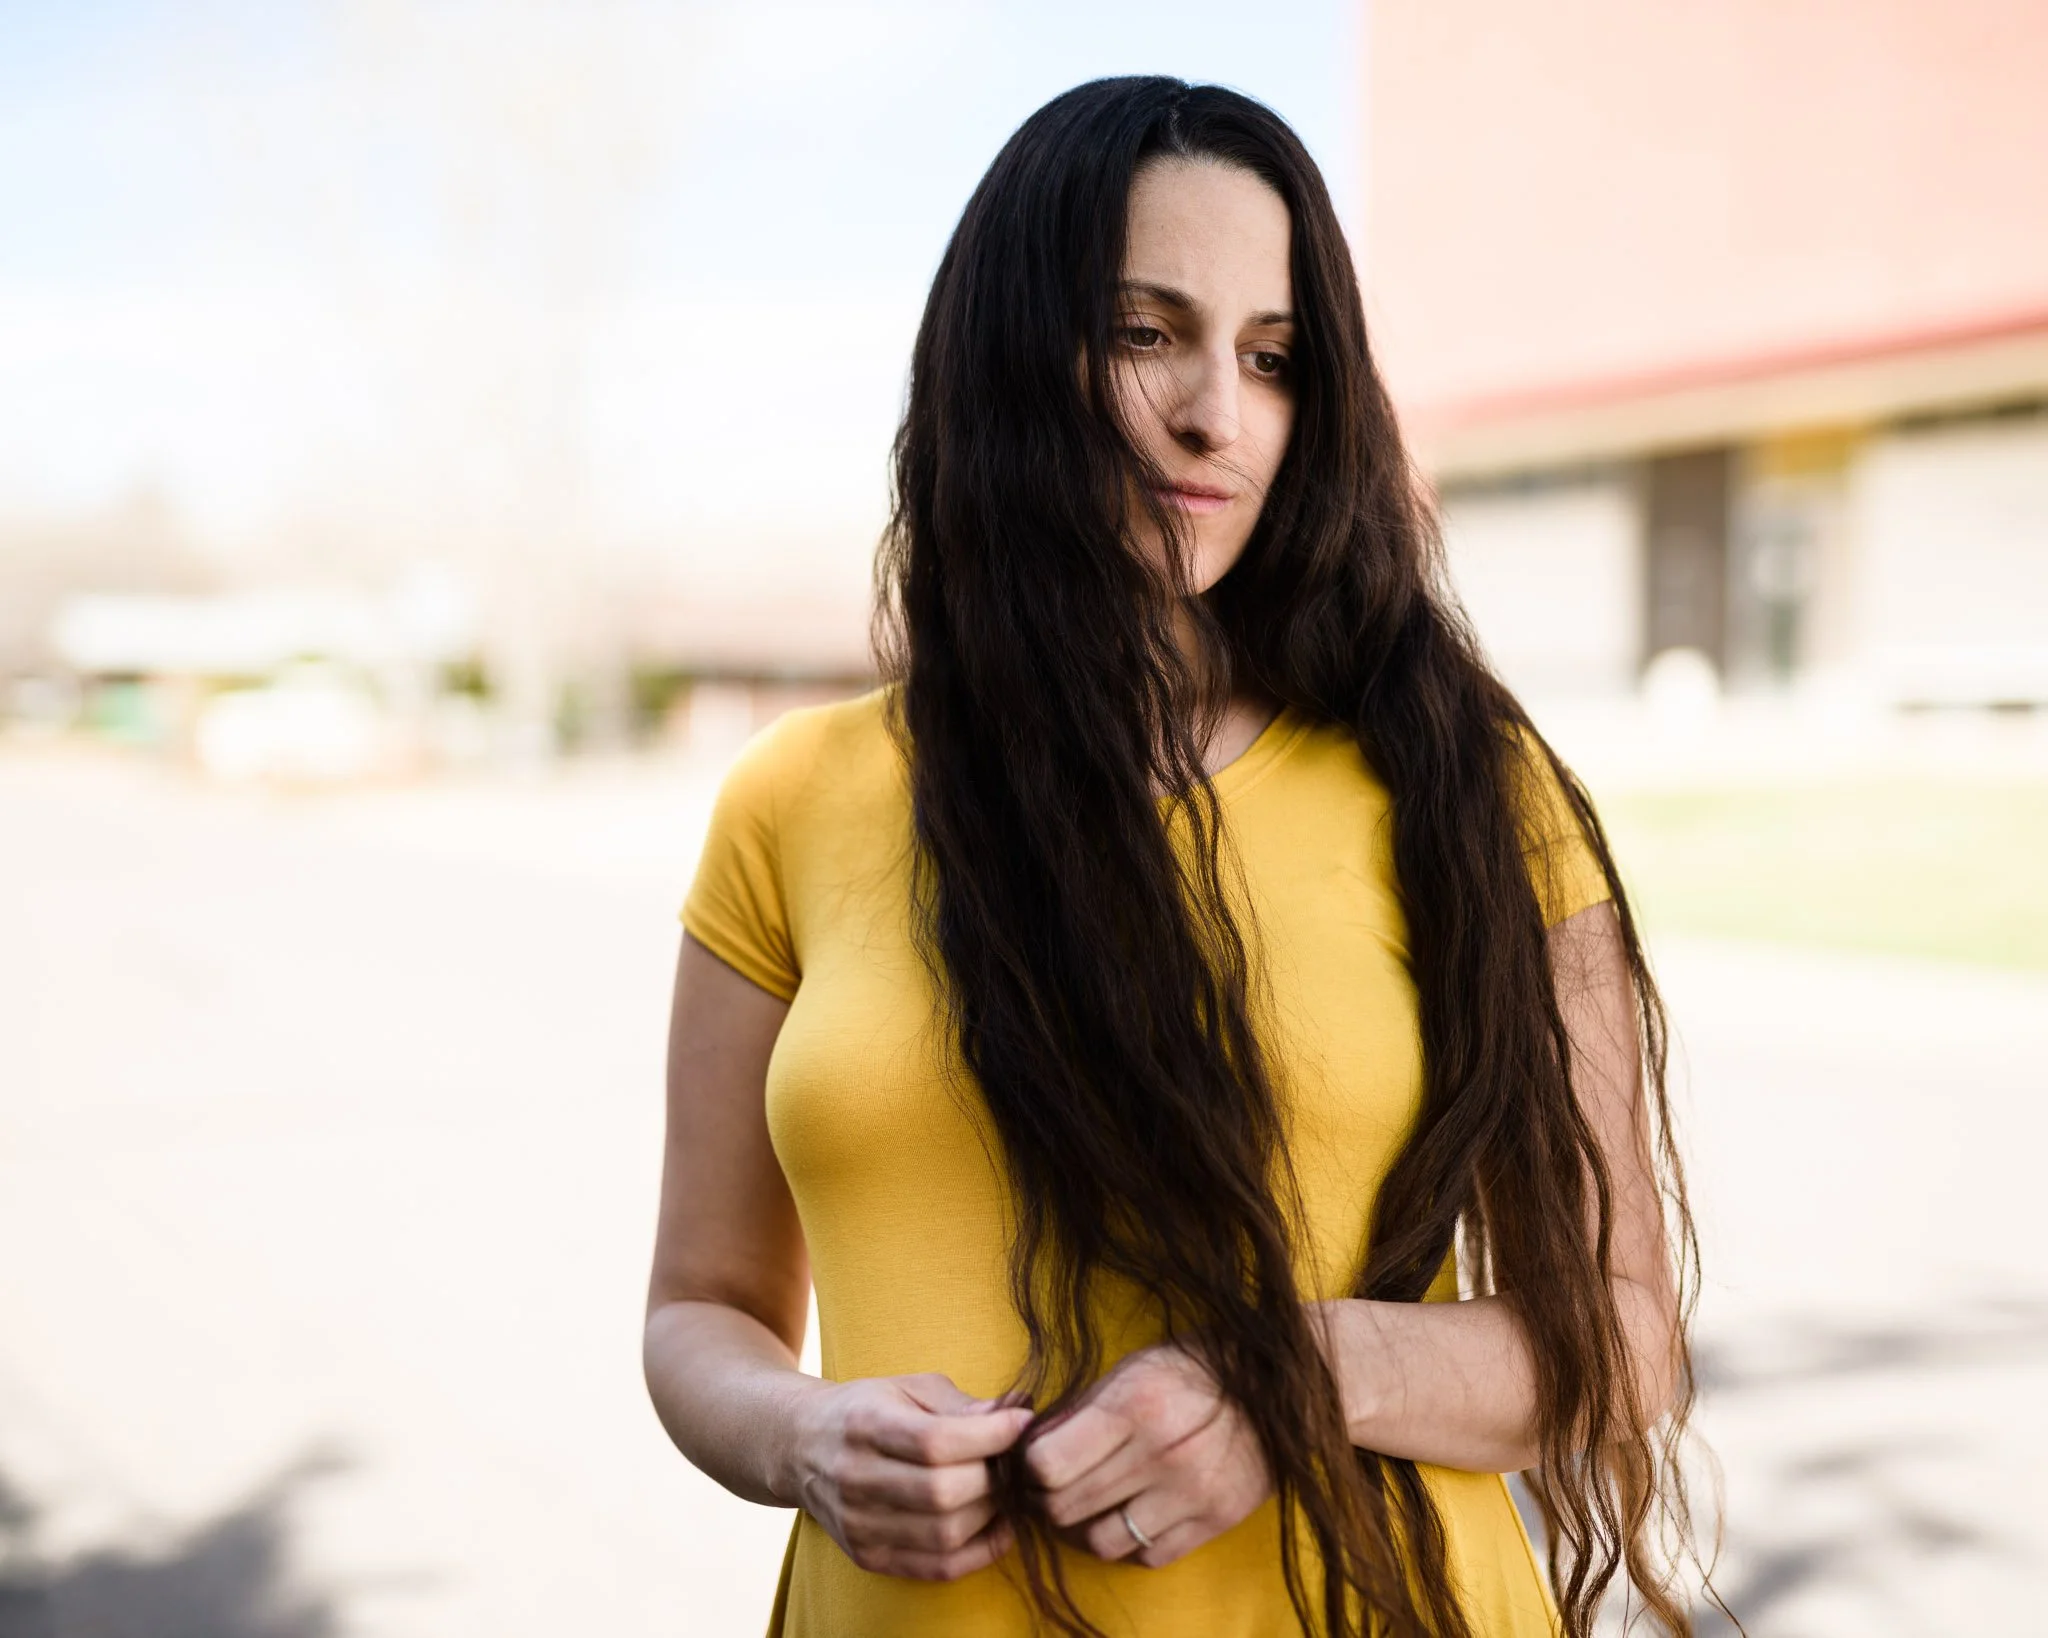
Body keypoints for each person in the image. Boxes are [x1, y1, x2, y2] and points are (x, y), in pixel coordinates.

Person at [642, 77, 1713, 1638]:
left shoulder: (1468, 789)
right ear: (1012, 352)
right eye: (1148, 332)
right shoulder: (796, 798)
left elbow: (1626, 1337)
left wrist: (1298, 1371)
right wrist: (804, 1434)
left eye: (1273, 357)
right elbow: (702, 1308)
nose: (1220, 411)